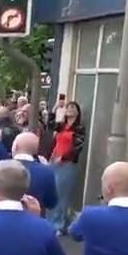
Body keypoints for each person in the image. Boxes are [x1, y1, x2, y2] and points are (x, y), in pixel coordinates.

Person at [48, 100, 85, 234]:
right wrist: (56, 107)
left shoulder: (79, 129)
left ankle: (58, 224)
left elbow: (77, 148)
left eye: (72, 107)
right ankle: (61, 221)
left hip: (67, 163)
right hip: (54, 160)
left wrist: (63, 158)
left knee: (61, 194)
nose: (69, 109)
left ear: (77, 112)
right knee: (52, 191)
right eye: (68, 107)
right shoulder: (62, 126)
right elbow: (50, 125)